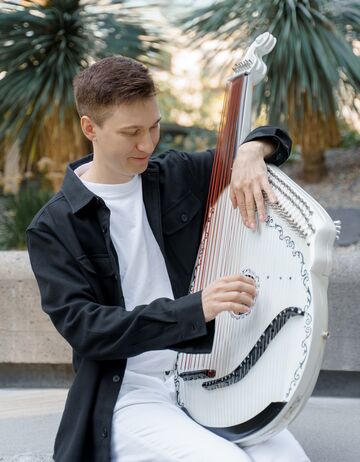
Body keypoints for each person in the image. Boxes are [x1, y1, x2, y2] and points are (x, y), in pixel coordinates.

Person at [26, 55, 310, 462]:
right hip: (129, 394)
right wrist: (195, 309)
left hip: (209, 377)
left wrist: (250, 151)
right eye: (131, 132)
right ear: (91, 128)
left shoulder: (173, 175)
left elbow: (275, 139)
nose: (148, 143)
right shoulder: (55, 226)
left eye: (154, 126)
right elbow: (86, 328)